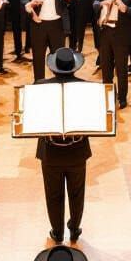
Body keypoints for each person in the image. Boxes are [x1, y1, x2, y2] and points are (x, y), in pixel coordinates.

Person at [34, 48, 93, 244]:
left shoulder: (40, 86)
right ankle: (75, 229)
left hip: (51, 151)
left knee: (53, 195)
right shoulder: (86, 88)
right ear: (74, 68)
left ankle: (57, 232)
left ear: (53, 68)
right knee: (77, 194)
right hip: (77, 151)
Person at [24, 0, 72, 81]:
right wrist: (31, 2)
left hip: (57, 25)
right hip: (38, 24)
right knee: (38, 57)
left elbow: (70, 0)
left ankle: (60, 82)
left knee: (58, 56)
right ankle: (39, 82)